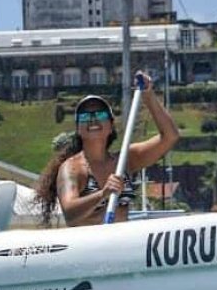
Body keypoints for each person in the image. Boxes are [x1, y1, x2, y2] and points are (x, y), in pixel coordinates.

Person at [36, 73, 179, 227]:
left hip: (121, 245)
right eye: (85, 116)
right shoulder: (72, 168)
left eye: (100, 114)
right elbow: (71, 214)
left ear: (111, 126)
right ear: (78, 129)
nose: (93, 119)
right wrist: (102, 194)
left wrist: (148, 96)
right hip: (90, 247)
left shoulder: (125, 160)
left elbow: (170, 136)